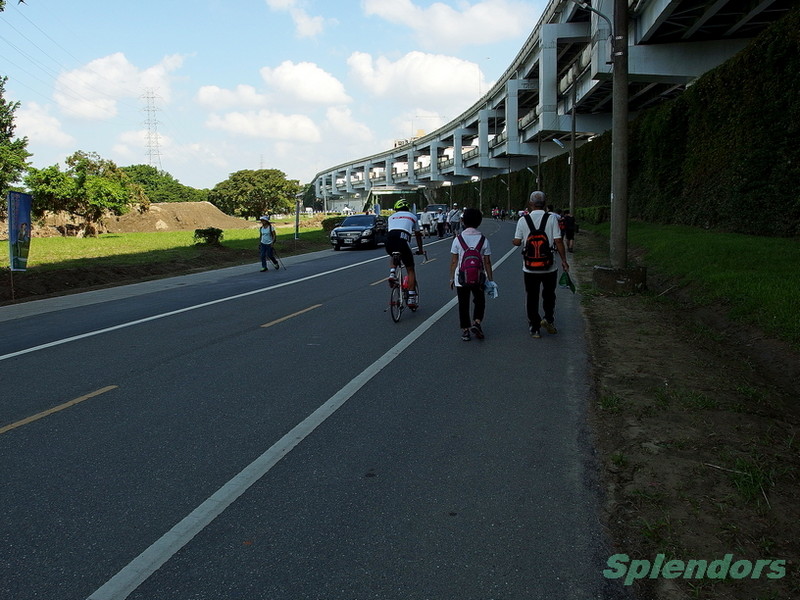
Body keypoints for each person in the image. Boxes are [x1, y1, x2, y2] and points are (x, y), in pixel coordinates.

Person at [512, 191, 569, 338]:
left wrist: (515, 241)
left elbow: (517, 242)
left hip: (529, 267)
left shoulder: (523, 220)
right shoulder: (551, 219)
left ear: (530, 204)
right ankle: (548, 319)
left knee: (532, 296)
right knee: (549, 294)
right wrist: (564, 260)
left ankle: (534, 327)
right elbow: (558, 241)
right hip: (549, 266)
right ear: (545, 203)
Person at [450, 208, 494, 341]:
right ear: (479, 222)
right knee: (479, 300)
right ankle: (477, 322)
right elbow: (487, 262)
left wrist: (451, 278)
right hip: (478, 277)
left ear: (463, 221)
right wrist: (490, 280)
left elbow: (454, 261)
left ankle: (465, 330)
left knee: (463, 304)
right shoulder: (483, 240)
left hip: (461, 277)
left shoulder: (458, 239)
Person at [386, 199, 424, 307]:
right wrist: (420, 249)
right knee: (410, 269)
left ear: (396, 209)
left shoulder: (391, 217)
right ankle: (411, 297)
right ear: (408, 208)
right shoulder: (413, 216)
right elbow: (418, 235)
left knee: (394, 253)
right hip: (403, 240)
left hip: (389, 240)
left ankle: (392, 273)